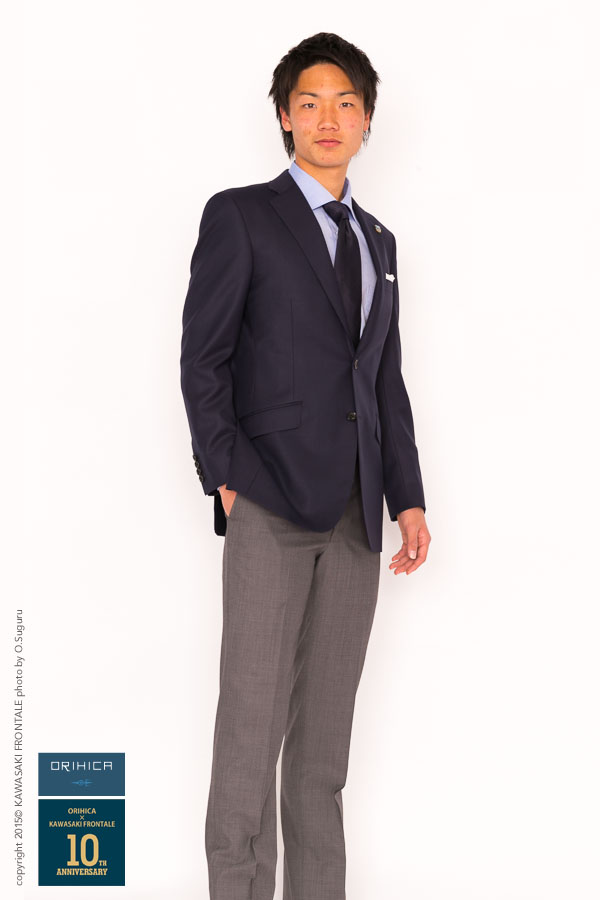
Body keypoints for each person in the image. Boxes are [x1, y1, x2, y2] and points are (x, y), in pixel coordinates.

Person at [180, 30, 431, 900]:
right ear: (285, 117)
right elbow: (203, 358)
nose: (330, 118)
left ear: (367, 121)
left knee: (323, 756)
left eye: (346, 103)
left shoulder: (379, 242)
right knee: (249, 740)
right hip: (270, 503)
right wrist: (226, 476)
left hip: (358, 514)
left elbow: (383, 378)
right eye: (311, 103)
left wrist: (407, 498)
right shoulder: (241, 215)